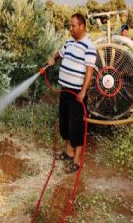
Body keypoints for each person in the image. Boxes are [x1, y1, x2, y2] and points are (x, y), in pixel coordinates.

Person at [47, 13, 97, 173]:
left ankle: (76, 160)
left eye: (73, 25)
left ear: (82, 26)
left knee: (77, 126)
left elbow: (89, 71)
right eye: (70, 25)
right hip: (65, 90)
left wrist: (83, 91)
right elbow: (60, 54)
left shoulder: (89, 46)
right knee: (64, 123)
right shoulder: (69, 42)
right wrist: (53, 58)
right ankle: (68, 152)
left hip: (77, 93)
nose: (70, 28)